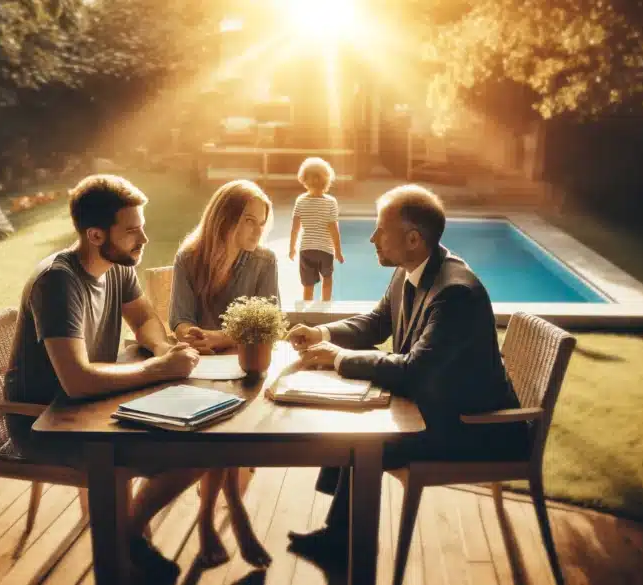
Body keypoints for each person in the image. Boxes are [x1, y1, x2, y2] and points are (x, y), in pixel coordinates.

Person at [284, 185, 529, 562]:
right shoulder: (412, 270)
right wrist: (323, 333)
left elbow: (414, 371)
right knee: (355, 428)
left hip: (476, 429)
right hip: (436, 407)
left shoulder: (455, 294)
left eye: (381, 229)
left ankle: (346, 547)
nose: (372, 238)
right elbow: (377, 321)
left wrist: (336, 358)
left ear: (413, 238)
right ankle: (340, 536)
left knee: (365, 441)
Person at [4, 174, 205, 583]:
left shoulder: (116, 265)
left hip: (95, 408)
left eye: (142, 226)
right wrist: (157, 369)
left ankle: (124, 537)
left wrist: (165, 350)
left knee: (201, 443)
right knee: (181, 452)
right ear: (96, 235)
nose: (144, 238)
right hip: (47, 421)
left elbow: (146, 318)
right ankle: (123, 547)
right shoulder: (58, 282)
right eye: (132, 230)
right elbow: (76, 381)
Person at [169, 179, 278, 568]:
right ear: (223, 219)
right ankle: (233, 512)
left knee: (224, 426)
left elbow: (267, 321)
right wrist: (189, 334)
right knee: (223, 428)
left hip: (244, 368)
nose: (257, 230)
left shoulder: (265, 261)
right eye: (248, 220)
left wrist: (216, 337)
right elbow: (179, 319)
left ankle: (207, 520)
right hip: (196, 370)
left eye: (261, 223)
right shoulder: (189, 257)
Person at [289, 157, 344, 302]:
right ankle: (325, 305)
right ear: (326, 180)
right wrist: (338, 250)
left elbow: (295, 228)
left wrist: (292, 247)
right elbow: (333, 229)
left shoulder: (300, 200)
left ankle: (307, 309)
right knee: (327, 279)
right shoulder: (331, 202)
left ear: (303, 179)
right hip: (325, 250)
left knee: (308, 284)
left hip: (306, 249)